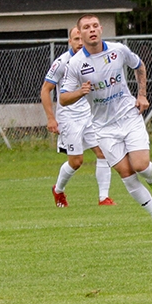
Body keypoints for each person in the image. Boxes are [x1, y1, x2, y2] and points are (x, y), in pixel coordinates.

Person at [59, 14, 152, 224]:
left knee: (140, 165)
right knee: (126, 172)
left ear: (100, 29)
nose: (91, 30)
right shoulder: (75, 64)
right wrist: (80, 93)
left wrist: (142, 95)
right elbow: (63, 99)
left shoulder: (118, 50)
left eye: (94, 26)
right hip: (103, 128)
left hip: (129, 117)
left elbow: (139, 65)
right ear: (80, 34)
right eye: (86, 27)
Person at [41, 26, 114, 208]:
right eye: (76, 40)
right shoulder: (62, 63)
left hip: (90, 116)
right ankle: (58, 190)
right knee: (76, 162)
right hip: (69, 118)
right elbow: (45, 89)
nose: (80, 43)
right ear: (69, 41)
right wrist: (51, 118)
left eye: (82, 39)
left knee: (104, 152)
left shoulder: (93, 60)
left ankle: (103, 198)